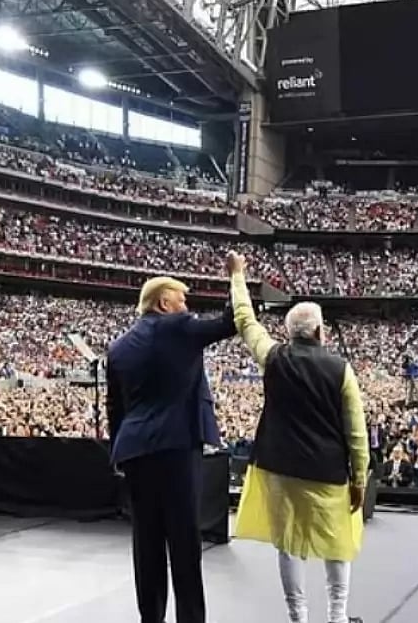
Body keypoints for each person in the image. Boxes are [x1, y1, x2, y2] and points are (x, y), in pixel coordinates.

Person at [226, 252, 369, 623]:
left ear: (289, 333)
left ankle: (298, 618)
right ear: (320, 331)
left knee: (288, 545)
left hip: (280, 467)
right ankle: (337, 617)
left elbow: (245, 320)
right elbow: (356, 432)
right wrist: (359, 479)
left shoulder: (273, 357)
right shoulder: (341, 369)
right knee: (338, 542)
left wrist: (238, 276)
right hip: (327, 470)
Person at [107, 273, 236, 623]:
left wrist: (118, 453)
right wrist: (237, 277)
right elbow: (230, 322)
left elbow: (115, 408)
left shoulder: (118, 347)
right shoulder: (178, 327)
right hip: (176, 447)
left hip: (134, 450)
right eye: (182, 300)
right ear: (164, 303)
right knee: (184, 541)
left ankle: (151, 617)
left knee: (146, 541)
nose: (186, 307)